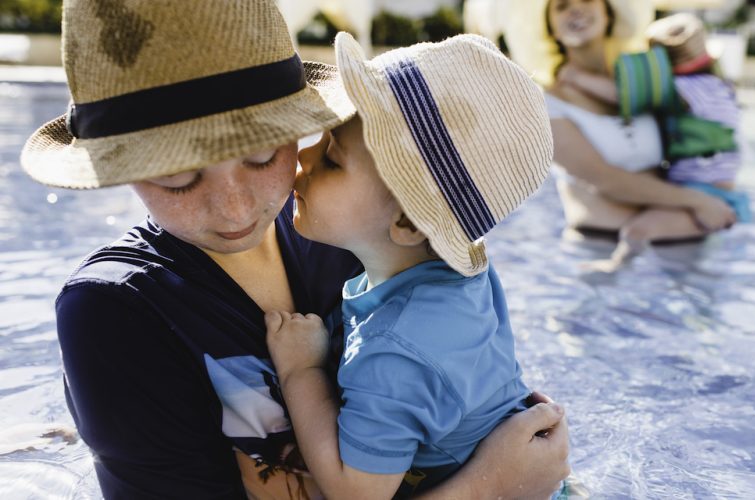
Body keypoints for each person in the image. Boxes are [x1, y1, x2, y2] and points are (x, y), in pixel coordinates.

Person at [20, 1, 570, 498]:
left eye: (262, 158)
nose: (237, 212)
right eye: (179, 180)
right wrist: (488, 486)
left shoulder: (345, 237)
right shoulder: (115, 313)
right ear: (124, 173)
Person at [264, 32, 560, 499]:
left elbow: (356, 494)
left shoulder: (394, 350)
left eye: (334, 159)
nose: (302, 154)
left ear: (405, 220)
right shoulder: (463, 277)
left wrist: (301, 372)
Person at [503, 0, 737, 264]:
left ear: (609, 15)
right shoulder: (543, 104)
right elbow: (604, 178)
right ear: (551, 29)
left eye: (588, 0)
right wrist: (702, 202)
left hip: (683, 245)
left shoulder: (643, 84)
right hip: (597, 251)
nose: (575, 9)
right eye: (562, 6)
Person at [555, 12, 750, 270]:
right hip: (716, 191)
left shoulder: (686, 90)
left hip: (706, 192)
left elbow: (622, 96)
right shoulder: (719, 87)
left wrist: (577, 78)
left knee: (637, 231)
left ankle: (614, 265)